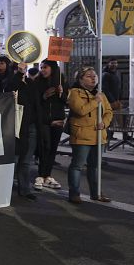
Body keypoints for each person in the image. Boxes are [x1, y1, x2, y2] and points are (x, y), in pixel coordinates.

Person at [67, 67, 113, 204]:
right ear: (80, 79)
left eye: (95, 76)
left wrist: (104, 123)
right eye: (89, 76)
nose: (93, 78)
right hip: (82, 135)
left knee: (95, 166)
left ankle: (96, 192)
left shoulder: (101, 94)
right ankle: (74, 193)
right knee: (77, 166)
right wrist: (95, 101)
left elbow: (109, 111)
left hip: (99, 136)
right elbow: (80, 110)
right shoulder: (74, 92)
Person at [33, 60, 66, 190]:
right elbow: (35, 103)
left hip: (58, 120)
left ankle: (48, 175)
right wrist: (44, 96)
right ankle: (41, 175)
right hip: (44, 121)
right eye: (41, 67)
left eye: (45, 67)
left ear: (52, 68)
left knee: (53, 149)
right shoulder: (37, 82)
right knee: (44, 147)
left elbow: (66, 101)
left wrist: (61, 93)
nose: (43, 70)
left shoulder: (61, 81)